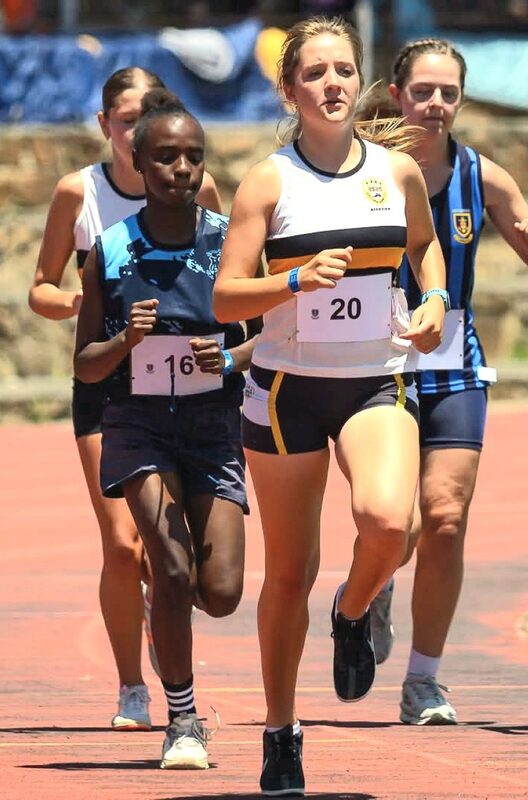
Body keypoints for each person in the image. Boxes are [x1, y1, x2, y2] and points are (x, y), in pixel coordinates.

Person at [211, 17, 447, 796]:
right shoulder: (268, 182)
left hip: (375, 378)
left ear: (362, 80)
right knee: (288, 573)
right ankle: (281, 732)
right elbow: (223, 298)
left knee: (391, 523)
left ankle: (353, 612)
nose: (332, 83)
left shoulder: (396, 170)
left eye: (343, 69)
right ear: (289, 90)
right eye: (314, 73)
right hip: (286, 392)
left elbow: (423, 247)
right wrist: (292, 282)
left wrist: (437, 296)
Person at [355, 37, 528, 726]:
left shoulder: (481, 176)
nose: (436, 104)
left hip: (454, 360)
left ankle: (424, 680)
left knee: (445, 517)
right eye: (423, 91)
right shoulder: (367, 172)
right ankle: (372, 588)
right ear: (396, 95)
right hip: (378, 358)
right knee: (396, 523)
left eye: (449, 93)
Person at [28, 66, 222, 732]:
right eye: (124, 115)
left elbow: (229, 287)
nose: (136, 125)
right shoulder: (76, 193)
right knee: (123, 546)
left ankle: (166, 616)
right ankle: (133, 686)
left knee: (191, 571)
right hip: (111, 385)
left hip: (193, 396)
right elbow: (40, 289)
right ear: (107, 124)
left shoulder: (199, 191)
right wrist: (93, 303)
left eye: (150, 111)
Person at [73, 90, 252, 770]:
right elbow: (86, 366)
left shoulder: (230, 241)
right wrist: (124, 342)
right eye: (166, 157)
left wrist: (230, 355)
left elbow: (270, 336)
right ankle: (183, 721)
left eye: (193, 157)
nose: (181, 168)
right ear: (139, 163)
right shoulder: (111, 253)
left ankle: (167, 607)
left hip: (211, 429)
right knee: (172, 569)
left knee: (222, 591)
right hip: (138, 426)